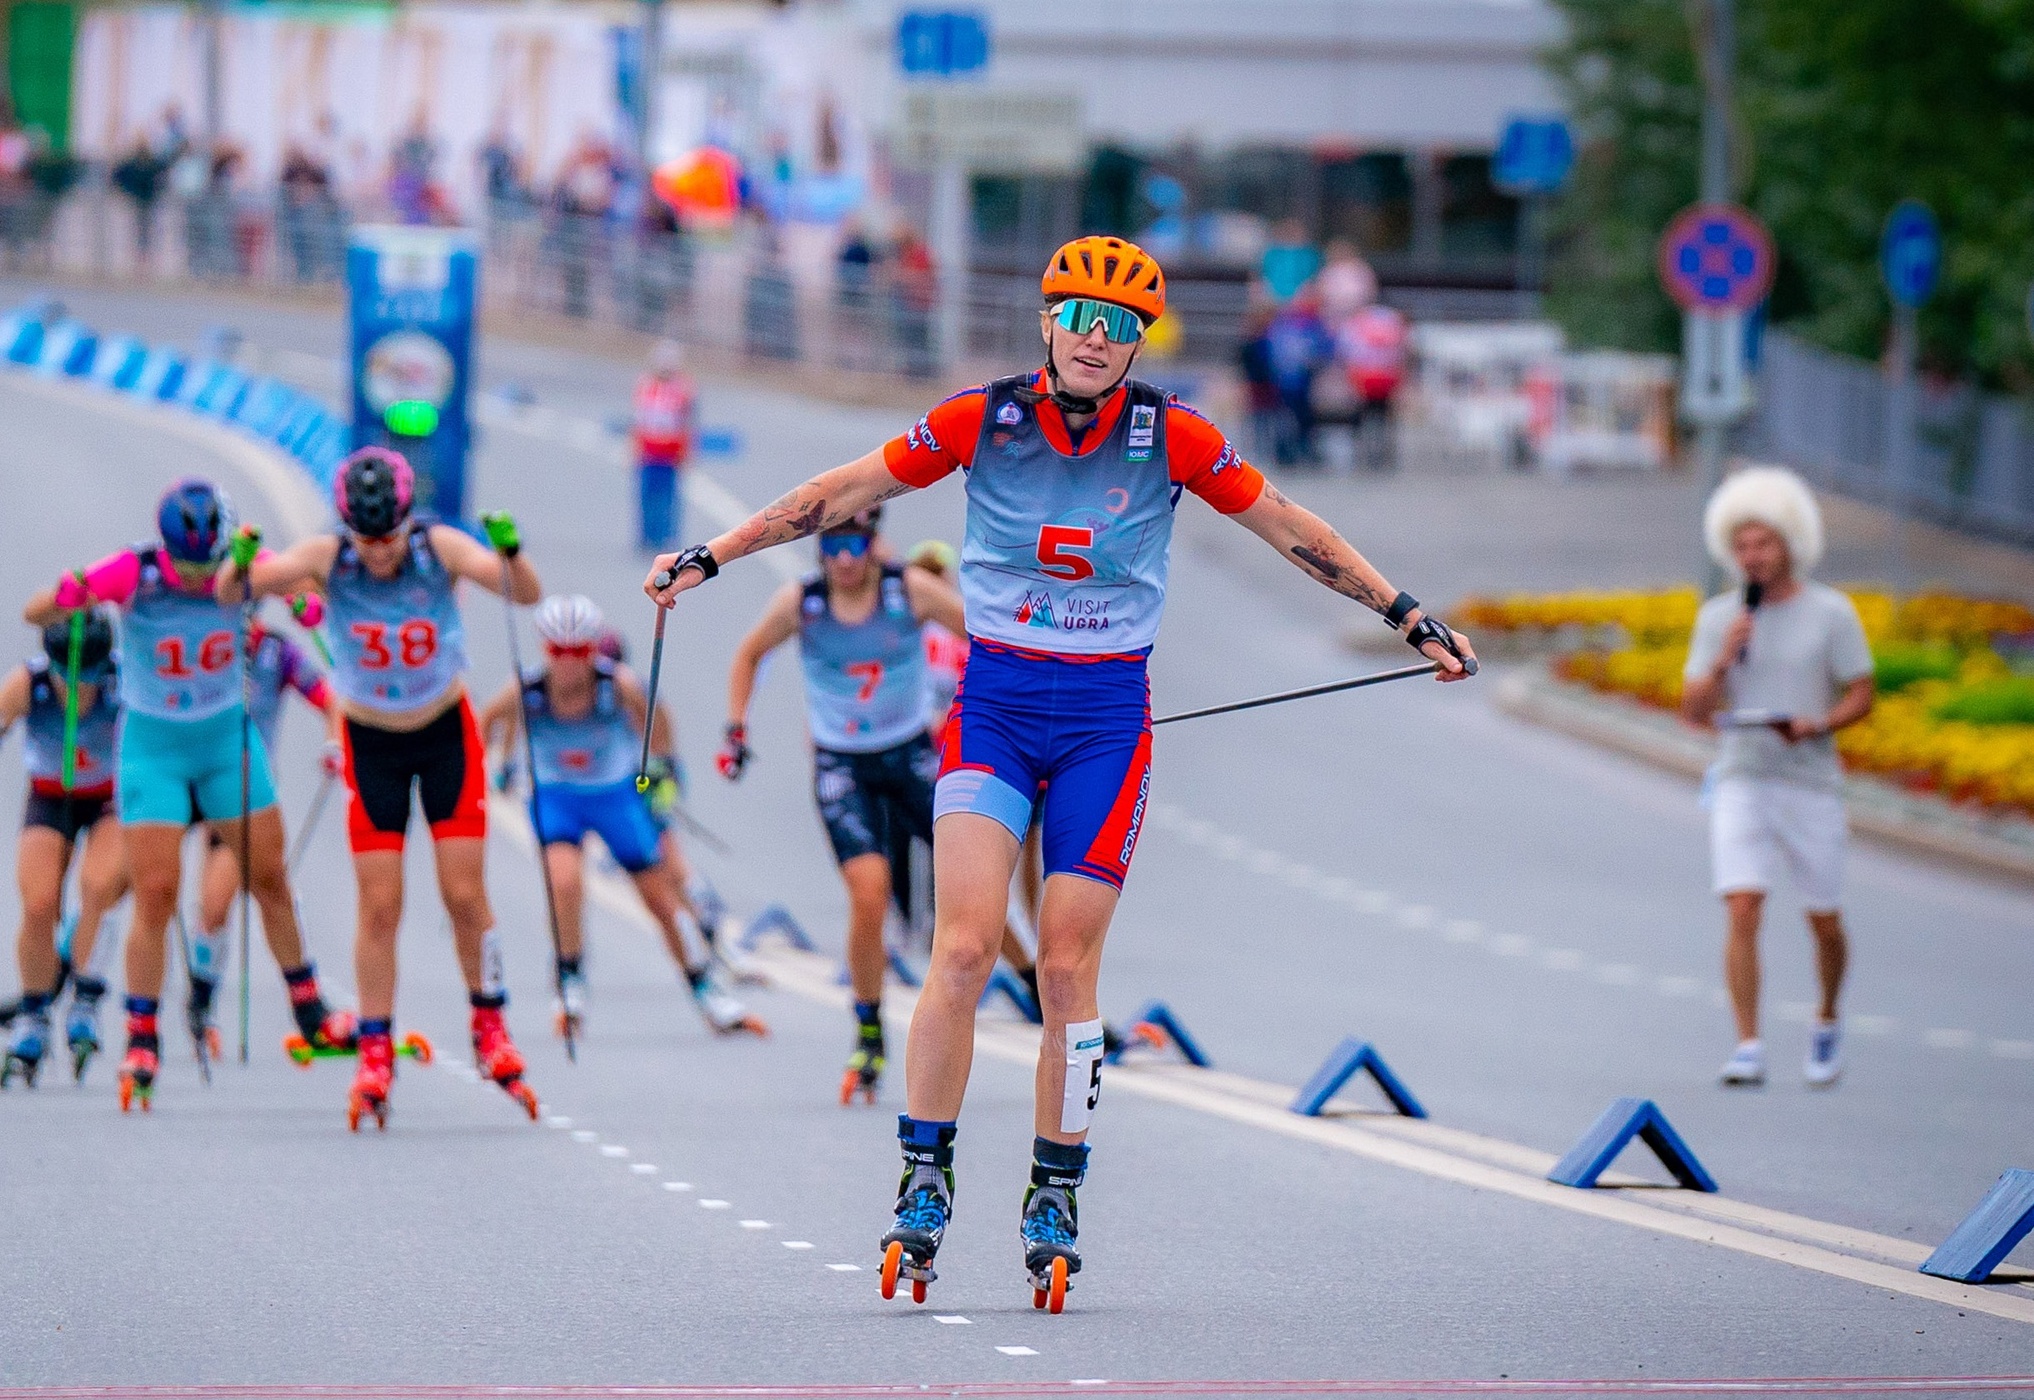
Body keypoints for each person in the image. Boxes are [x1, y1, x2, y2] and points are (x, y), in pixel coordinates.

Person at [648, 234, 1476, 1308]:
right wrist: (711, 554)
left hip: (1103, 722)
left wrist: (1404, 612)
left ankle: (1054, 1190)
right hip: (992, 708)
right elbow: (841, 489)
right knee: (960, 947)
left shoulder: (1172, 435)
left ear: (1141, 342)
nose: (1098, 337)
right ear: (1046, 321)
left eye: (1122, 324)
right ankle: (924, 1172)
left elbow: (1286, 525)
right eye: (1080, 316)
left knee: (1068, 972)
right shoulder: (978, 419)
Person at [220, 448, 542, 1129]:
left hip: (446, 734)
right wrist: (241, 558)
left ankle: (490, 1026)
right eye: (366, 541)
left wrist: (511, 552)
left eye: (388, 538)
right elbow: (233, 592)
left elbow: (525, 593)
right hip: (372, 744)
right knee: (380, 906)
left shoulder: (439, 547)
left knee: (464, 894)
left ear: (406, 522)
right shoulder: (324, 556)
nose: (377, 554)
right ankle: (374, 1049)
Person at [24, 480, 354, 1111]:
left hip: (226, 742)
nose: (204, 577)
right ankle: (142, 1034)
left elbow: (307, 600)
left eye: (212, 565)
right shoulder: (132, 569)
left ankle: (310, 1010)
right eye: (191, 566)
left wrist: (306, 608)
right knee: (154, 892)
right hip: (154, 748)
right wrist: (66, 598)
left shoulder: (246, 560)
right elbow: (37, 611)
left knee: (271, 877)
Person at [718, 507, 964, 1105]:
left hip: (909, 753)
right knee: (870, 891)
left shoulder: (910, 589)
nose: (847, 559)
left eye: (857, 544)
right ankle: (870, 1031)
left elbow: (988, 642)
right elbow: (750, 654)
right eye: (834, 546)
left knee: (968, 882)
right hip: (841, 764)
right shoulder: (800, 603)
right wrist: (736, 727)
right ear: (819, 549)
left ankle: (1034, 988)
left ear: (875, 541)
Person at [477, 594, 762, 1041]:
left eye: (578, 652)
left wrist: (662, 770)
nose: (568, 663)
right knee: (564, 881)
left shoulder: (620, 684)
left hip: (614, 795)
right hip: (557, 796)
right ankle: (570, 978)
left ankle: (706, 988)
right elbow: (486, 722)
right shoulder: (525, 688)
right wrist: (497, 767)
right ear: (543, 649)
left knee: (660, 899)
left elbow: (658, 719)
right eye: (557, 652)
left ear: (593, 649)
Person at [1680, 466, 1874, 1090]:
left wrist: (1819, 724)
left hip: (1810, 779)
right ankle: (1748, 1041)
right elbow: (1693, 712)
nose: (1752, 557)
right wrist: (1722, 657)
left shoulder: (1831, 612)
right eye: (1741, 547)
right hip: (1742, 774)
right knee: (1742, 905)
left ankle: (1825, 1017)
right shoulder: (1720, 618)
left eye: (1763, 543)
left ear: (1790, 543)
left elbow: (1863, 694)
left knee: (1823, 917)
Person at [183, 618, 345, 1059]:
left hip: (242, 791)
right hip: (185, 777)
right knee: (130, 882)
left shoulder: (277, 652)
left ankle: (201, 1004)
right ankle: (63, 975)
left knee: (219, 903)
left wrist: (334, 745)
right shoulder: (197, 642)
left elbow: (332, 700)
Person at [0, 609, 126, 1086]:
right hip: (50, 797)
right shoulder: (26, 684)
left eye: (89, 677)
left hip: (109, 798)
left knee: (99, 887)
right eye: (67, 677)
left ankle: (87, 998)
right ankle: (33, 1015)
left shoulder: (123, 680)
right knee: (38, 905)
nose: (79, 690)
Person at [632, 341, 696, 552]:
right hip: (649, 451)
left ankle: (667, 536)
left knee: (668, 497)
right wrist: (634, 448)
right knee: (646, 496)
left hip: (671, 453)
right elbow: (638, 420)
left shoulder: (684, 389)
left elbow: (688, 423)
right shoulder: (646, 385)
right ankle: (647, 536)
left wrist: (687, 453)